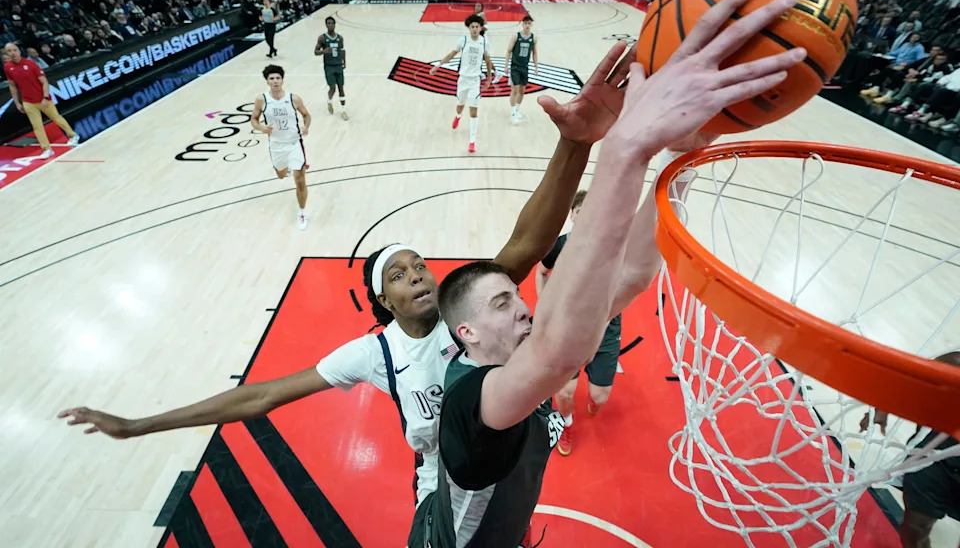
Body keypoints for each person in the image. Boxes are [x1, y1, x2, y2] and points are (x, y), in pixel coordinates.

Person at [58, 38, 641, 513]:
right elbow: (260, 395)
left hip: (513, 462)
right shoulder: (373, 355)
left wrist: (574, 143)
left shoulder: (463, 306)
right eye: (398, 273)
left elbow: (528, 240)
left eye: (418, 265)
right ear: (381, 299)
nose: (416, 275)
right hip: (448, 495)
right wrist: (139, 425)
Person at [407, 0, 808, 547]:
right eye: (503, 303)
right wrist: (625, 148)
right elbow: (560, 354)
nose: (523, 306)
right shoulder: (470, 398)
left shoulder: (517, 362)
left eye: (516, 295)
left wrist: (680, 158)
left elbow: (632, 278)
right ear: (465, 333)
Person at [536, 188, 621, 456]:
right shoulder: (558, 245)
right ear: (573, 215)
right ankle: (566, 424)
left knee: (599, 397)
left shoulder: (613, 248)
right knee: (565, 391)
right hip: (566, 328)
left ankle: (594, 400)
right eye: (580, 212)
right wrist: (545, 304)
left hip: (604, 326)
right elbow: (541, 272)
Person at [859, 351, 960, 548]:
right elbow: (914, 376)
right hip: (936, 457)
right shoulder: (955, 363)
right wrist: (884, 406)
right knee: (914, 529)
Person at [249, 65, 313, 230]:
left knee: (299, 180)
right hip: (276, 145)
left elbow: (306, 115)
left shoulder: (294, 98)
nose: (275, 81)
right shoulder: (261, 99)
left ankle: (302, 212)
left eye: (278, 78)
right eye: (272, 78)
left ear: (282, 80)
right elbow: (254, 119)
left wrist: (306, 127)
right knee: (280, 174)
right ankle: (286, 168)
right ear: (267, 81)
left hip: (294, 143)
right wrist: (261, 128)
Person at [3, 42, 79, 158]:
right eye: (9, 51)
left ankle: (73, 135)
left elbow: (44, 82)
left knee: (56, 118)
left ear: (19, 51)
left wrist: (44, 97)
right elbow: (12, 85)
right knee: (37, 126)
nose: (12, 53)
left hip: (42, 98)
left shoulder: (31, 64)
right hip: (27, 101)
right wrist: (17, 102)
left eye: (14, 50)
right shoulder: (8, 67)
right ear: (6, 53)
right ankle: (47, 148)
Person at [430, 14, 493, 153]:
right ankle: (458, 117)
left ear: (480, 28)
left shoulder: (484, 42)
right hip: (463, 80)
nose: (475, 29)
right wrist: (437, 65)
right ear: (469, 28)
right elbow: (451, 54)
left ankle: (472, 142)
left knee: (474, 111)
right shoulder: (463, 40)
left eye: (477, 27)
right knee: (460, 106)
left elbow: (488, 61)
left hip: (475, 81)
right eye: (472, 27)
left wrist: (488, 78)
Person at [505, 15, 538, 123]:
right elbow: (509, 51)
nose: (527, 25)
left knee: (522, 91)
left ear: (531, 25)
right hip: (515, 66)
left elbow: (535, 52)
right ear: (522, 24)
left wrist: (536, 67)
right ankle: (513, 112)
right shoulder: (516, 36)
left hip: (525, 67)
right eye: (525, 23)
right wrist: (506, 66)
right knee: (514, 89)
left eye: (529, 23)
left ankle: (517, 109)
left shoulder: (533, 38)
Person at [315, 16, 347, 120]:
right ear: (326, 25)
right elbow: (316, 52)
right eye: (328, 23)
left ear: (335, 24)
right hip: (329, 66)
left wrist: (344, 61)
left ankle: (343, 110)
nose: (330, 25)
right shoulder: (322, 38)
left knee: (341, 88)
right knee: (332, 88)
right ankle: (329, 101)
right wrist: (323, 51)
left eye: (331, 23)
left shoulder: (340, 37)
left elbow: (342, 50)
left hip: (338, 65)